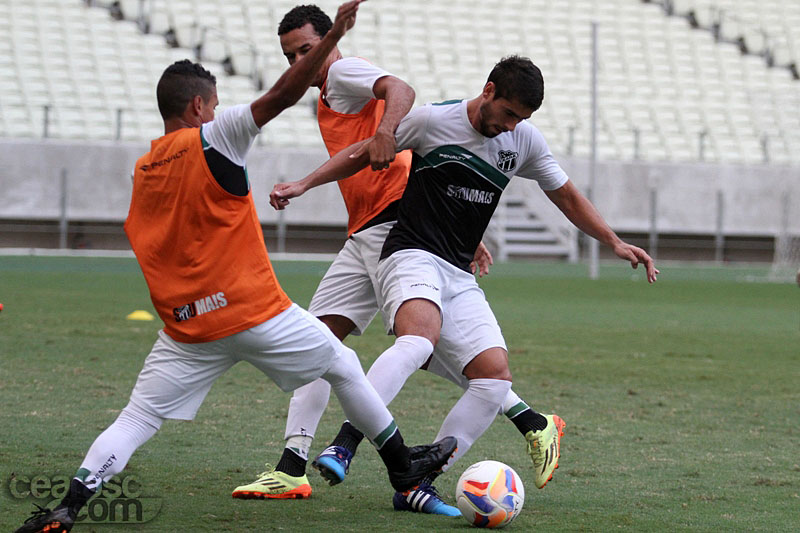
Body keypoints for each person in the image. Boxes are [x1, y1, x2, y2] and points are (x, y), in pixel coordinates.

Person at [13, 3, 458, 532]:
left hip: (187, 328)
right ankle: (404, 470)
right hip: (252, 311)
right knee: (341, 363)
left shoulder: (144, 168)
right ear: (201, 105)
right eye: (217, 102)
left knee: (135, 419)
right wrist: (335, 33)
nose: (221, 108)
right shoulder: (216, 134)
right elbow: (280, 96)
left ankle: (66, 508)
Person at [269, 54, 659, 510]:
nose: (513, 126)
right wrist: (305, 183)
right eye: (510, 113)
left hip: (458, 272)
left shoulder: (523, 140)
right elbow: (362, 152)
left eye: (523, 119)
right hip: (411, 254)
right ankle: (346, 443)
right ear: (488, 90)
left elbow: (567, 195)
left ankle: (418, 482)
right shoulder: (434, 121)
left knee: (493, 378)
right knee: (419, 341)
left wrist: (613, 241)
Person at [231, 5, 565, 516]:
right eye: (292, 55)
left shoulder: (341, 71)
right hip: (374, 230)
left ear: (329, 42)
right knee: (377, 346)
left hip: (393, 230)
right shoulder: (325, 92)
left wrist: (385, 132)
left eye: (307, 48)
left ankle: (311, 460)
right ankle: (527, 420)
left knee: (388, 345)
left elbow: (401, 95)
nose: (302, 60)